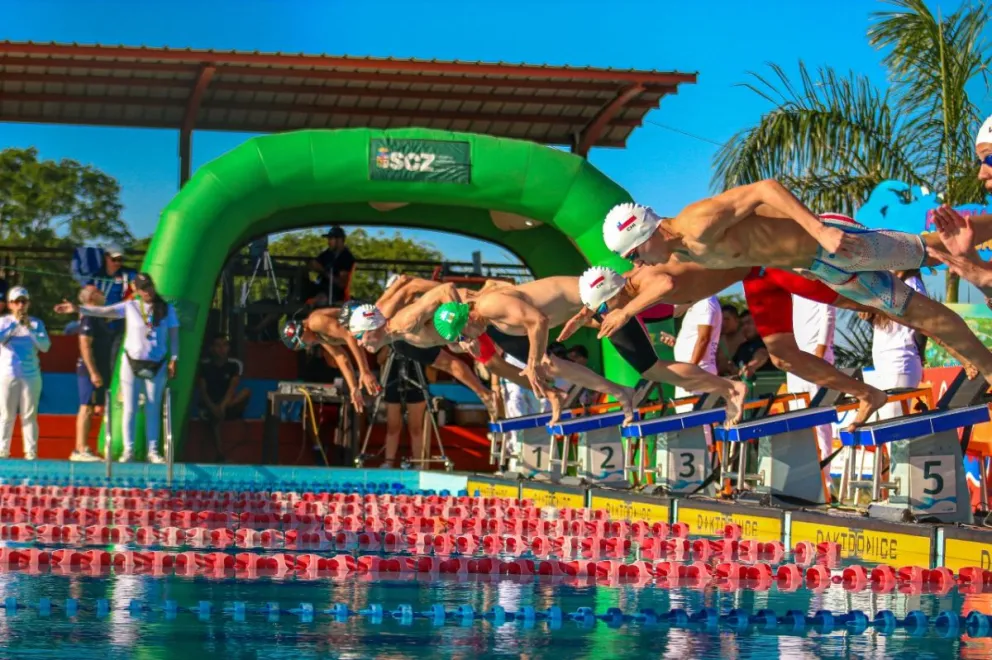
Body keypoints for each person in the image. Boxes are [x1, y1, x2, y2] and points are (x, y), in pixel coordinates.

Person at [601, 194, 992, 394]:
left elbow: (764, 190)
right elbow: (675, 285)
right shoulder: (679, 250)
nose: (639, 263)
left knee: (940, 247)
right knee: (917, 313)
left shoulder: (697, 223)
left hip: (833, 245)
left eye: (635, 254)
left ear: (647, 234)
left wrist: (818, 229)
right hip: (817, 269)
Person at [55, 273, 178, 464]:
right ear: (136, 290)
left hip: (157, 363)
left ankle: (153, 451)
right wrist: (77, 308)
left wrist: (174, 359)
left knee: (153, 407)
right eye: (143, 288)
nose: (148, 291)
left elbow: (174, 336)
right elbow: (103, 311)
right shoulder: (130, 307)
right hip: (131, 362)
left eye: (150, 287)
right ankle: (128, 451)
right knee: (130, 407)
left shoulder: (167, 309)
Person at [859, 272, 928, 421]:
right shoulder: (885, 284)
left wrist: (920, 354)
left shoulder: (911, 283)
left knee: (894, 425)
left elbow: (922, 324)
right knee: (889, 425)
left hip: (901, 359)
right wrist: (868, 315)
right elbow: (887, 329)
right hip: (884, 361)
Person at [785, 295, 836, 478]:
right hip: (796, 359)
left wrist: (820, 354)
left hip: (816, 359)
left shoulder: (817, 276)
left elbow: (828, 313)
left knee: (819, 422)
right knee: (798, 420)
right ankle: (804, 477)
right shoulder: (794, 286)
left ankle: (825, 480)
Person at [0, 287, 51, 460]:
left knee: (29, 414)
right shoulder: (4, 322)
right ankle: (3, 450)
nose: (20, 305)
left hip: (30, 375)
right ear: (10, 304)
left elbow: (45, 347)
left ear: (28, 303)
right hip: (8, 373)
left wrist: (30, 328)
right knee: (6, 414)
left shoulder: (36, 323)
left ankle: (30, 451)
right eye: (17, 302)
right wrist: (15, 324)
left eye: (24, 301)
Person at [72, 286, 113, 462]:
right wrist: (93, 372)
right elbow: (85, 346)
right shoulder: (89, 318)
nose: (103, 294)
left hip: (100, 368)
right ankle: (79, 449)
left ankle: (90, 448)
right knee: (86, 407)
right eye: (99, 292)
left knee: (97, 407)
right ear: (91, 298)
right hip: (89, 369)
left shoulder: (99, 317)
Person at [672, 296, 722, 402]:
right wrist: (678, 343)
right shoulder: (699, 302)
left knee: (692, 416)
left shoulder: (705, 303)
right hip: (691, 373)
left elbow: (704, 339)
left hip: (697, 374)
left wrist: (691, 372)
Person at [198, 334, 252, 422]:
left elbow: (232, 389)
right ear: (212, 348)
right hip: (210, 404)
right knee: (212, 414)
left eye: (225, 345)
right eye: (218, 346)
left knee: (246, 391)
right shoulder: (205, 366)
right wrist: (213, 408)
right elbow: (203, 391)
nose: (222, 349)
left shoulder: (234, 365)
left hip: (227, 404)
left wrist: (222, 406)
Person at [309, 226, 356, 304]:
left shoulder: (346, 257)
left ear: (340, 240)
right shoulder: (327, 253)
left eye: (331, 239)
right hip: (320, 287)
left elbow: (341, 284)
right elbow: (315, 263)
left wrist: (323, 271)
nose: (328, 242)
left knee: (320, 298)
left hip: (334, 292)